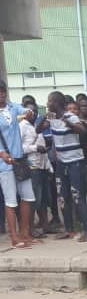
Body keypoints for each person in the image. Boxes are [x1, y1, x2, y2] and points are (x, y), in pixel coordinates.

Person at [38, 91, 87, 241]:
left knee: (78, 196)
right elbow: (37, 130)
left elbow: (82, 131)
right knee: (63, 197)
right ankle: (69, 230)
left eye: (49, 101)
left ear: (56, 103)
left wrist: (67, 122)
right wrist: (44, 117)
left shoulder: (71, 116)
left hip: (75, 163)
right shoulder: (52, 118)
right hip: (61, 164)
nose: (47, 104)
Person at [0, 80, 35, 248]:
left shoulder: (13, 107)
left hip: (20, 160)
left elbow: (26, 111)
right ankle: (14, 237)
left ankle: (25, 233)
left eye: (2, 91)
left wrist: (28, 113)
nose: (1, 95)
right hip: (4, 163)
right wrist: (1, 153)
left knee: (27, 196)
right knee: (11, 200)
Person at [20, 106, 52, 236]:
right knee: (34, 198)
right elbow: (19, 147)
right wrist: (35, 148)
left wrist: (49, 167)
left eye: (34, 110)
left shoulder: (37, 127)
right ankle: (30, 229)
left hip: (42, 166)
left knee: (44, 198)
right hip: (32, 166)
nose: (32, 113)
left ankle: (45, 226)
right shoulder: (22, 126)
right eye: (29, 110)